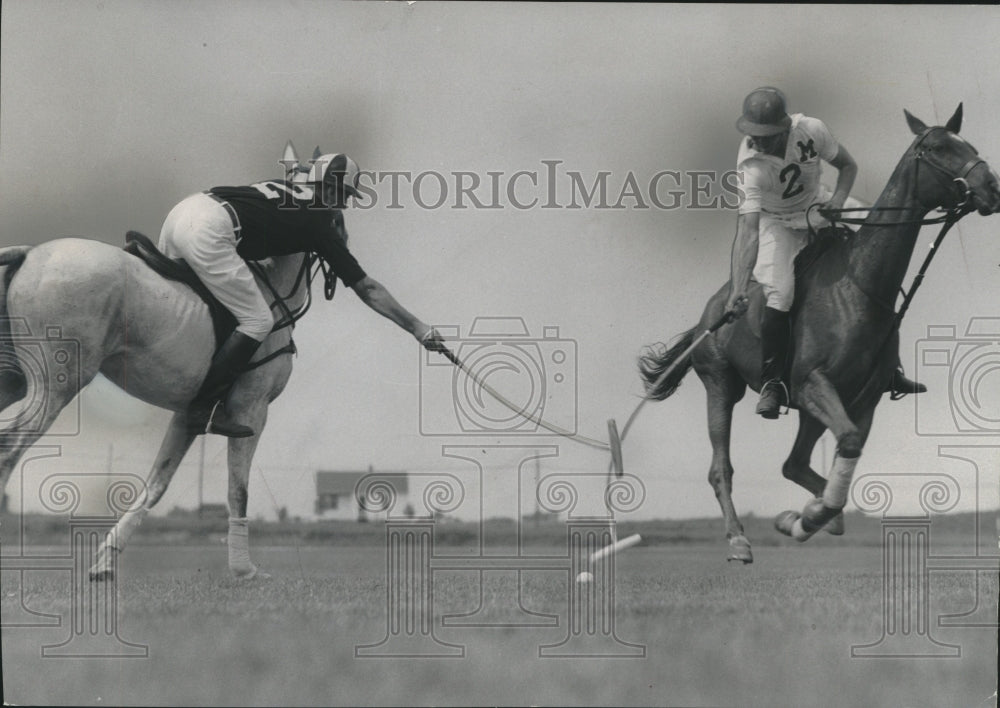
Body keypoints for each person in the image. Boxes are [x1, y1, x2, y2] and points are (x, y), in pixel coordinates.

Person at [159, 153, 446, 437]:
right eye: (346, 196)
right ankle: (202, 408)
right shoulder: (319, 222)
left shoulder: (283, 188)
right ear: (332, 190)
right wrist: (417, 328)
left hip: (183, 213)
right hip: (211, 230)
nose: (344, 204)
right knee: (259, 320)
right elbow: (368, 289)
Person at [726, 87, 924, 419]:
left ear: (786, 127)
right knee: (781, 293)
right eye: (753, 134)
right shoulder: (749, 165)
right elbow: (747, 231)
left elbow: (847, 166)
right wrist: (738, 288)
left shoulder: (812, 129)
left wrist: (837, 199)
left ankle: (890, 366)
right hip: (777, 224)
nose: (757, 141)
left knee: (882, 238)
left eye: (766, 135)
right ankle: (773, 382)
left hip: (819, 204)